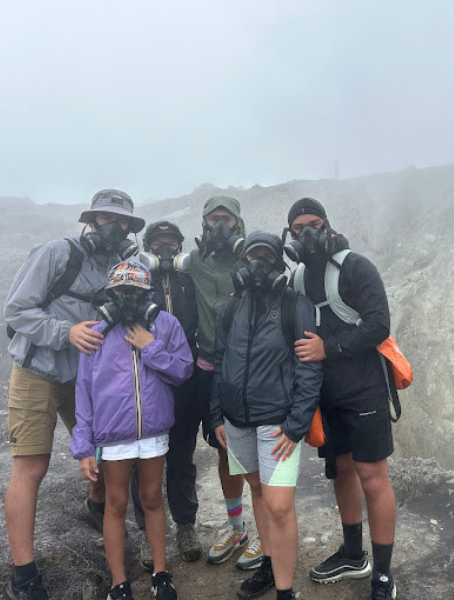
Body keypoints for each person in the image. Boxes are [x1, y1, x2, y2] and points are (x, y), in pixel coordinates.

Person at [2, 189, 143, 600]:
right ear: (91, 221)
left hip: (87, 378)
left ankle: (96, 506)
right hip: (37, 372)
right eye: (105, 219)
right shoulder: (55, 254)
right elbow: (16, 309)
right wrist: (66, 332)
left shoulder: (123, 268)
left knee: (104, 453)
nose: (113, 228)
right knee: (31, 466)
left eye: (122, 223)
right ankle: (23, 577)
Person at [286, 198, 398, 600]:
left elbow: (379, 324)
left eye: (313, 224)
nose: (307, 234)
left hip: (364, 390)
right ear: (290, 235)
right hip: (325, 396)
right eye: (298, 229)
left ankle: (383, 574)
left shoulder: (356, 267)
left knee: (373, 477)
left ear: (328, 225)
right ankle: (353, 554)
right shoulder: (297, 278)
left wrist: (327, 349)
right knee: (344, 472)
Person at [71, 260, 193, 600]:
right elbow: (83, 391)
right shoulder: (96, 333)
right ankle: (118, 584)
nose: (128, 297)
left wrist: (150, 346)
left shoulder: (165, 324)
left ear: (147, 293)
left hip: (153, 431)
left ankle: (161, 574)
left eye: (135, 291)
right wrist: (83, 446)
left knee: (153, 499)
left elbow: (183, 370)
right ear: (110, 293)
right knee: (116, 504)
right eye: (121, 291)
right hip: (113, 435)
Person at [210, 232, 322, 600]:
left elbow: (309, 369)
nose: (259, 264)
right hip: (237, 420)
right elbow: (219, 361)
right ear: (241, 263)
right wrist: (215, 416)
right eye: (252, 256)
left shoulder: (295, 305)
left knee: (278, 505)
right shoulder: (230, 308)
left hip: (277, 422)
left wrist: (296, 424)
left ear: (279, 263)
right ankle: (270, 568)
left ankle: (286, 592)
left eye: (267, 257)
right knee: (257, 490)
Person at [188, 196, 263, 569]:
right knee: (224, 449)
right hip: (207, 367)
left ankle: (268, 533)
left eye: (226, 219)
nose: (220, 225)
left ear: (238, 224)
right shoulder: (193, 263)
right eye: (214, 218)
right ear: (204, 223)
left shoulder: (252, 260)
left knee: (256, 450)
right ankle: (237, 528)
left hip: (246, 369)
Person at [130, 221, 202, 568]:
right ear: (147, 249)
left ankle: (185, 526)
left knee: (182, 458)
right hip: (147, 382)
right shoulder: (137, 287)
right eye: (158, 243)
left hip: (185, 382)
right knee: (141, 462)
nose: (165, 249)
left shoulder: (189, 282)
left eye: (171, 243)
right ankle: (146, 531)